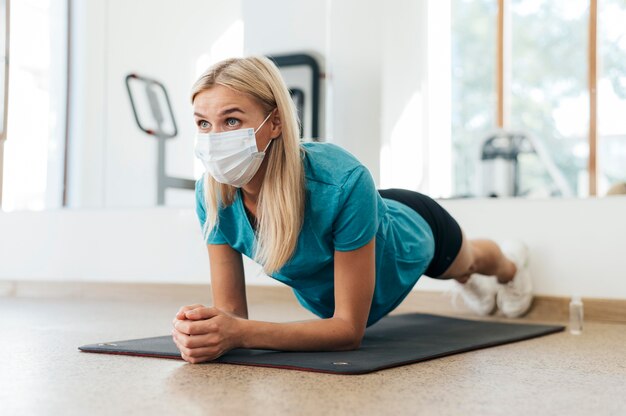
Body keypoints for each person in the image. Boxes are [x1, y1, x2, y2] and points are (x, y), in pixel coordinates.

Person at [171, 56, 533, 364]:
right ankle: (470, 280)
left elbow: (347, 331)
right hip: (360, 224)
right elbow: (232, 317)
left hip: (413, 233)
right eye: (204, 123)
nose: (215, 138)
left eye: (231, 121)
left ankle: (510, 265)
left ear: (276, 123)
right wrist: (206, 329)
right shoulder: (214, 196)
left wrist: (240, 334)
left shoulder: (343, 181)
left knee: (465, 262)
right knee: (463, 271)